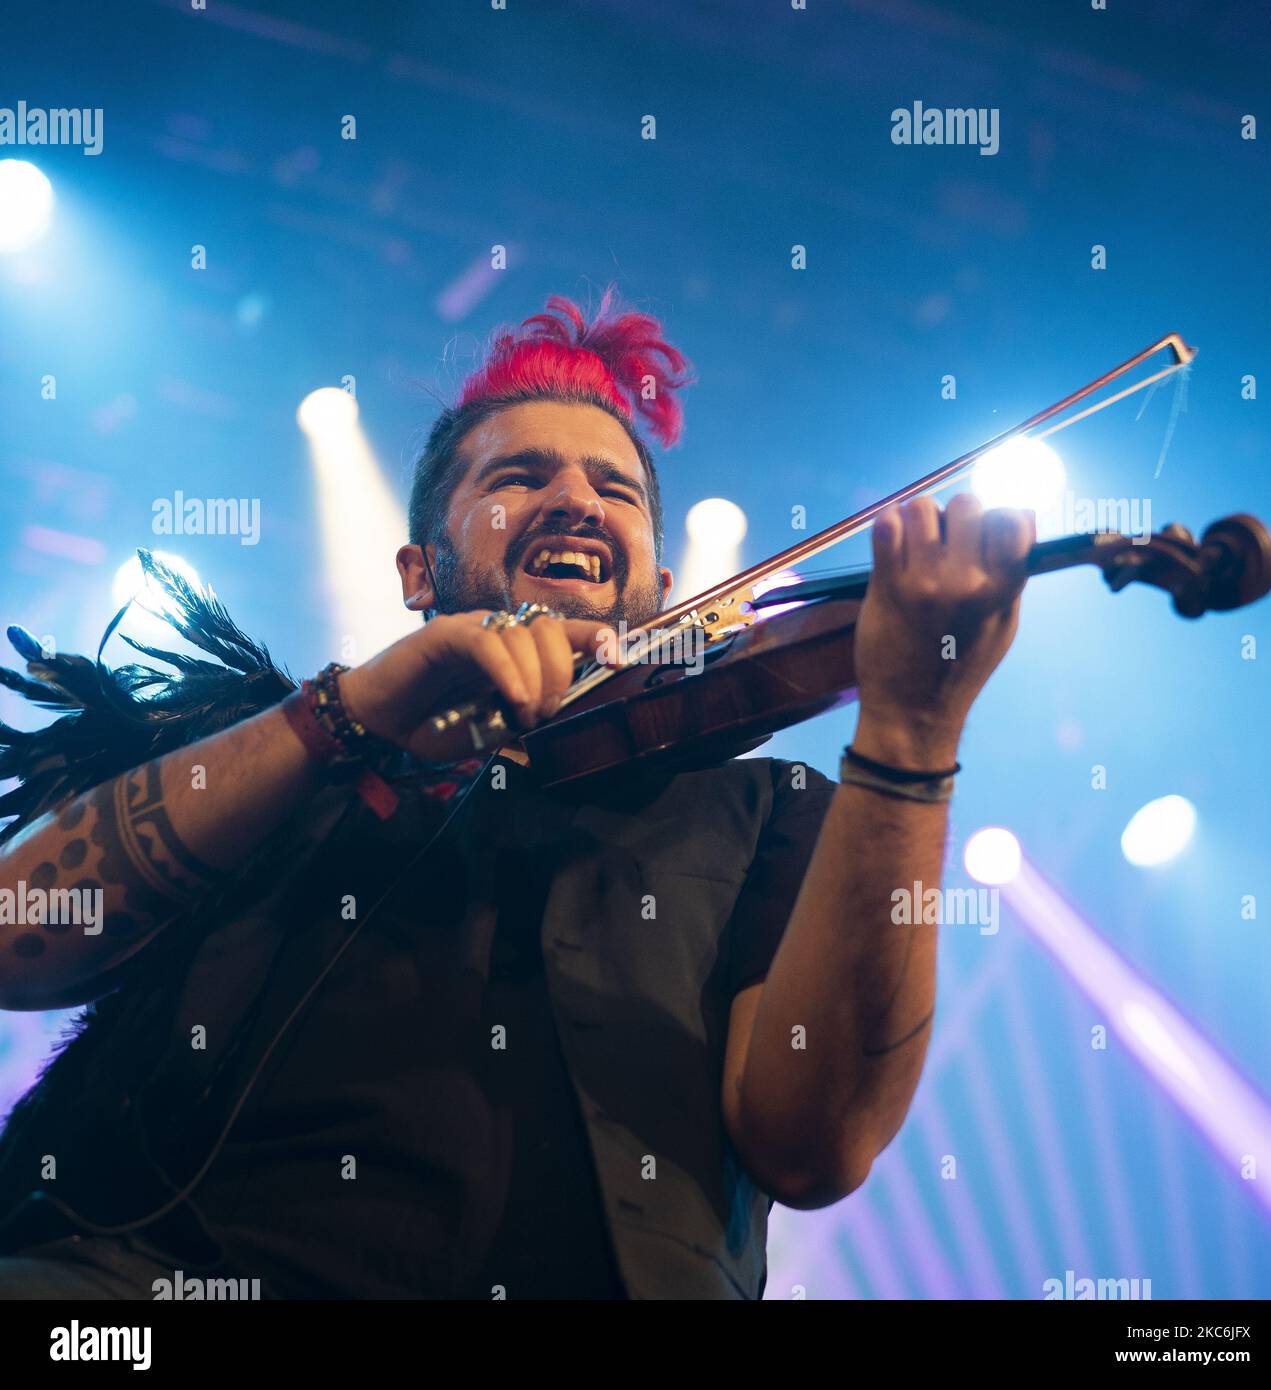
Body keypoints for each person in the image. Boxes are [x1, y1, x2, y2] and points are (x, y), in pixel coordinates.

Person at [0, 288, 1034, 1299]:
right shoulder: (272, 754)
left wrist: (910, 734)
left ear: (666, 593)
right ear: (418, 570)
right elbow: (17, 934)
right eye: (521, 476)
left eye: (614, 489)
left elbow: (813, 1151)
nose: (578, 501)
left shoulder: (765, 810)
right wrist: (347, 711)